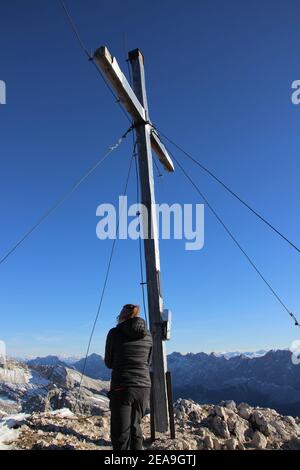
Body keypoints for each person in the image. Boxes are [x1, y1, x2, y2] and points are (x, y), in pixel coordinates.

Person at [104, 304, 152, 450]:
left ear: (122, 317)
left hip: (122, 387)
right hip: (143, 388)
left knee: (120, 433)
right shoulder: (148, 335)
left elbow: (109, 362)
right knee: (135, 427)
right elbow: (148, 362)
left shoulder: (114, 333)